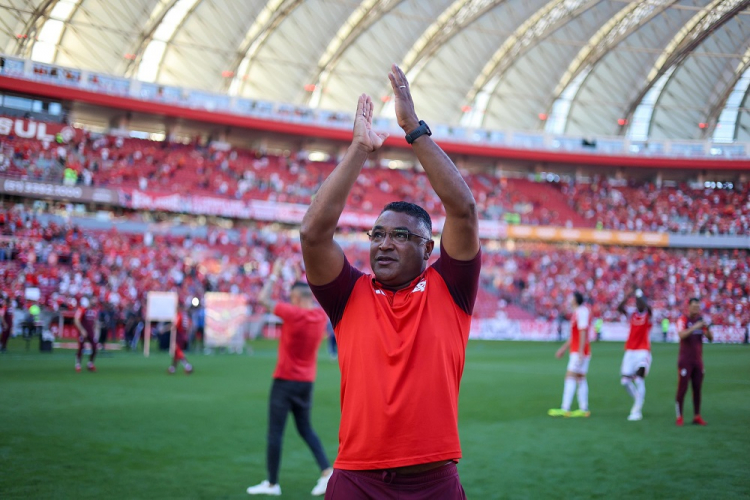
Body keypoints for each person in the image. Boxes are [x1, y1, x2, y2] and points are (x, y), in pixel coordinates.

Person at [300, 65, 480, 499]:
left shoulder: (450, 287)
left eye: (400, 235)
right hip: (356, 480)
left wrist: (413, 130)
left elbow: (463, 211)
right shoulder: (348, 294)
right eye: (377, 234)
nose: (384, 244)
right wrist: (359, 149)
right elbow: (312, 234)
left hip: (433, 482)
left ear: (428, 247)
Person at [246, 260, 333, 497]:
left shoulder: (292, 313)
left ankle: (272, 483)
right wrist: (299, 278)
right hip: (306, 382)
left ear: (295, 298)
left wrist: (274, 276)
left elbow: (264, 300)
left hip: (284, 381)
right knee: (306, 429)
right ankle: (327, 472)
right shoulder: (318, 315)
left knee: (275, 433)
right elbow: (306, 294)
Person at [548, 291, 591, 418]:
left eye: (571, 297)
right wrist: (563, 348)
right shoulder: (577, 312)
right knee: (580, 377)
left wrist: (580, 351)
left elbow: (583, 332)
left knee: (570, 377)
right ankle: (584, 409)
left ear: (576, 299)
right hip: (578, 350)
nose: (569, 299)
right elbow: (575, 336)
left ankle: (565, 408)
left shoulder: (582, 311)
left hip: (579, 351)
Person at [675, 298, 713, 426]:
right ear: (689, 307)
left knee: (697, 388)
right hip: (685, 361)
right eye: (694, 306)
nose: (696, 309)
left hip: (698, 361)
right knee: (682, 389)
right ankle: (679, 416)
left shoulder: (700, 321)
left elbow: (711, 338)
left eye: (698, 307)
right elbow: (681, 335)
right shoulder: (683, 320)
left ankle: (697, 415)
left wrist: (706, 329)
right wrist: (695, 327)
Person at [618, 288, 653, 421]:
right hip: (630, 351)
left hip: (643, 351)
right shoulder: (632, 314)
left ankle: (637, 410)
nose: (637, 303)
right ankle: (639, 399)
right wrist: (628, 295)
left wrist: (639, 295)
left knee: (639, 377)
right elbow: (620, 308)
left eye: (640, 301)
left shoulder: (648, 314)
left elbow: (647, 307)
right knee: (625, 381)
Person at [74, 296, 99, 372]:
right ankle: (78, 364)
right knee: (81, 347)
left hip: (90, 331)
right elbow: (76, 320)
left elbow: (95, 322)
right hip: (83, 330)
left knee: (95, 347)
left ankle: (90, 363)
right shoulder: (82, 309)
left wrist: (96, 331)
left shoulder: (94, 310)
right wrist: (82, 330)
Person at [167, 308, 193, 374]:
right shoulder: (185, 315)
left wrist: (164, 329)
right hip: (184, 335)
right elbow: (190, 324)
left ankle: (188, 366)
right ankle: (173, 368)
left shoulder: (179, 315)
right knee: (176, 353)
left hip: (179, 336)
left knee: (178, 351)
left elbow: (175, 325)